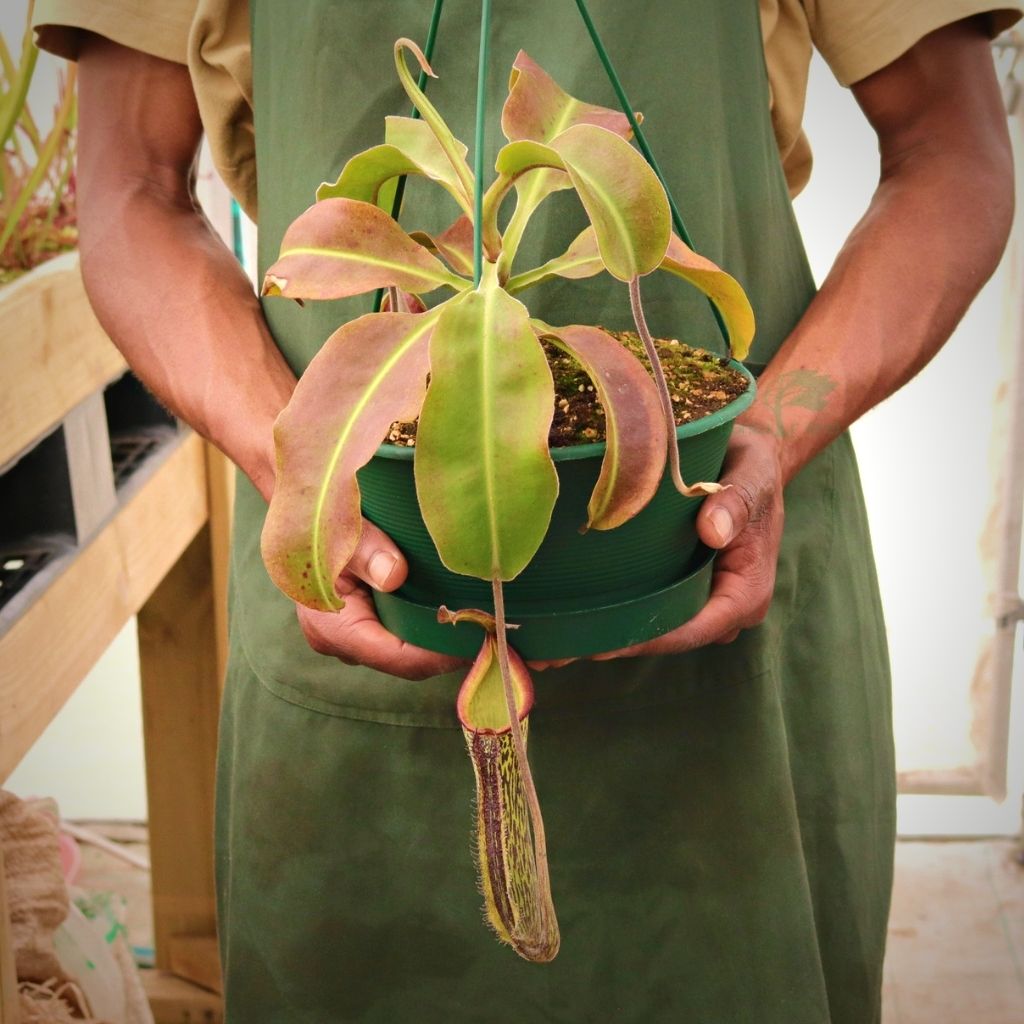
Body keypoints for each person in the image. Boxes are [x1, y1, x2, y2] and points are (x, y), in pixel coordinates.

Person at [32, 1, 1019, 1021]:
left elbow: (950, 150)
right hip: (360, 551)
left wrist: (771, 436)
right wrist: (300, 471)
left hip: (719, 559)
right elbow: (129, 189)